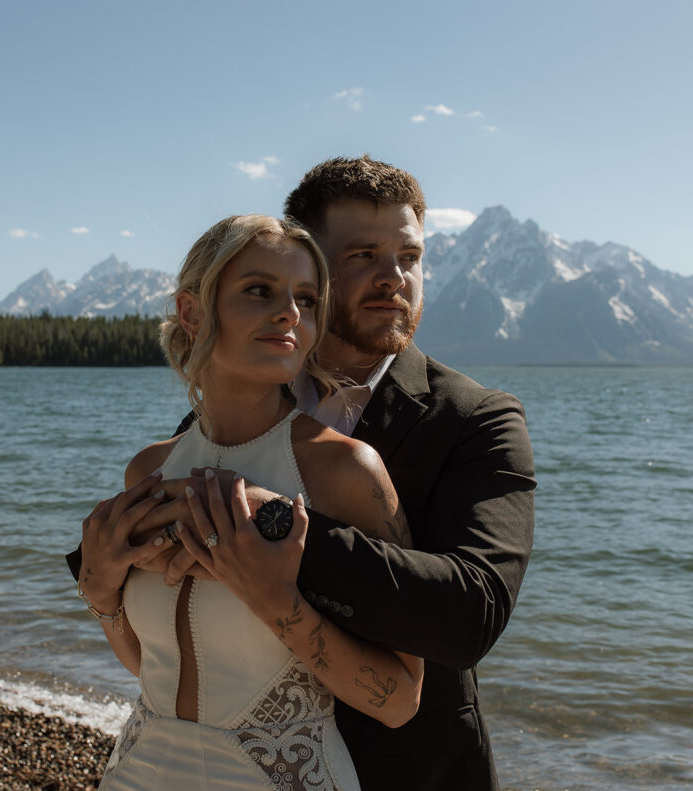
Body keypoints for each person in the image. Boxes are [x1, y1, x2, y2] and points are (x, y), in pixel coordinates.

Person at [150, 156, 536, 790]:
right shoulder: (242, 396)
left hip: (413, 772)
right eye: (363, 255)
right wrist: (99, 578)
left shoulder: (476, 418)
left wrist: (263, 523)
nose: (393, 279)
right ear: (311, 268)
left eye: (409, 257)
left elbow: (472, 612)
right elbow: (163, 544)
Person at [76, 214, 424, 791]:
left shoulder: (343, 472)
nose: (290, 312)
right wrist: (100, 594)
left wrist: (274, 601)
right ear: (192, 312)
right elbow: (152, 663)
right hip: (137, 770)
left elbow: (399, 701)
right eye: (260, 291)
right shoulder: (151, 470)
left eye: (307, 299)